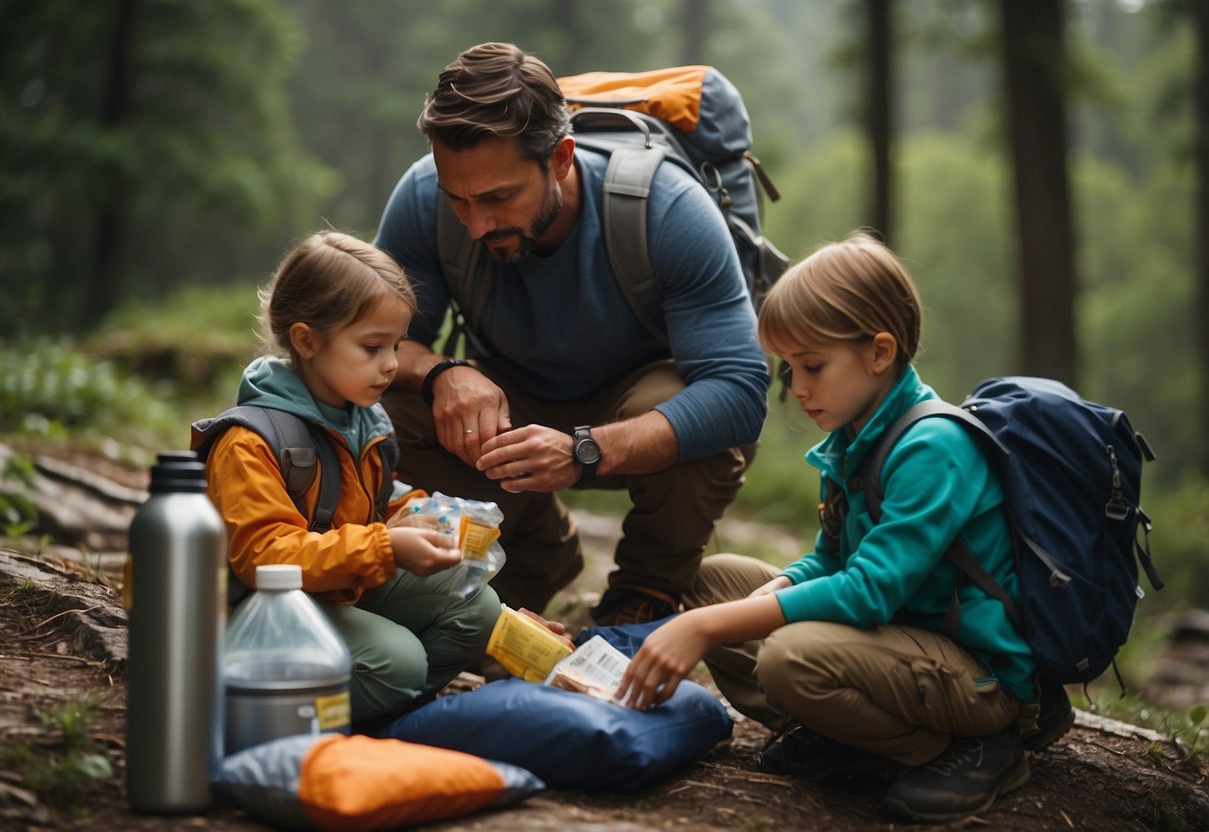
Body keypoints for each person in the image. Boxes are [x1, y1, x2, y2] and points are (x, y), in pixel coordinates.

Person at [616, 231, 1061, 822]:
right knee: (714, 581)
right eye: (788, 369)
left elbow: (870, 589)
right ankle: (835, 730)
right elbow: (832, 558)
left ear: (879, 353)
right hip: (894, 646)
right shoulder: (853, 437)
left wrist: (707, 629)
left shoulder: (934, 447)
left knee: (786, 657)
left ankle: (969, 749)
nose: (797, 389)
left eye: (813, 366)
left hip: (975, 673)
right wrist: (777, 587)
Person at [373, 42, 769, 625]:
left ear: (560, 159)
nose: (476, 223)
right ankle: (532, 560)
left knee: (692, 407)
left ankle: (645, 594)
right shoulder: (421, 197)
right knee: (374, 399)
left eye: (498, 198)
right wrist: (441, 373)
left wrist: (585, 452)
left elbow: (739, 391)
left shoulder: (668, 207)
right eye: (457, 198)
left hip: (631, 411)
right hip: (508, 401)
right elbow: (371, 342)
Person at [199, 231, 501, 724]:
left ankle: (383, 714)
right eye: (372, 347)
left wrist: (425, 518)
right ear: (306, 340)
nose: (392, 366)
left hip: (334, 585)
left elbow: (376, 502)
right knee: (397, 660)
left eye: (397, 346)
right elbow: (265, 559)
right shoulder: (251, 441)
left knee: (478, 608)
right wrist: (386, 547)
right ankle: (265, 714)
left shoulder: (363, 420)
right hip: (258, 612)